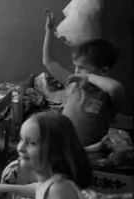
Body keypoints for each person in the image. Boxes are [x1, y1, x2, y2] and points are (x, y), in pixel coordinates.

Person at [42, 8, 124, 147]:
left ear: (103, 71)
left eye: (82, 68)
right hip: (64, 147)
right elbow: (49, 62)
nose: (77, 71)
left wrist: (87, 77)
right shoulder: (74, 84)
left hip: (88, 152)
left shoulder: (107, 95)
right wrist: (49, 31)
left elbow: (115, 88)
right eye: (76, 66)